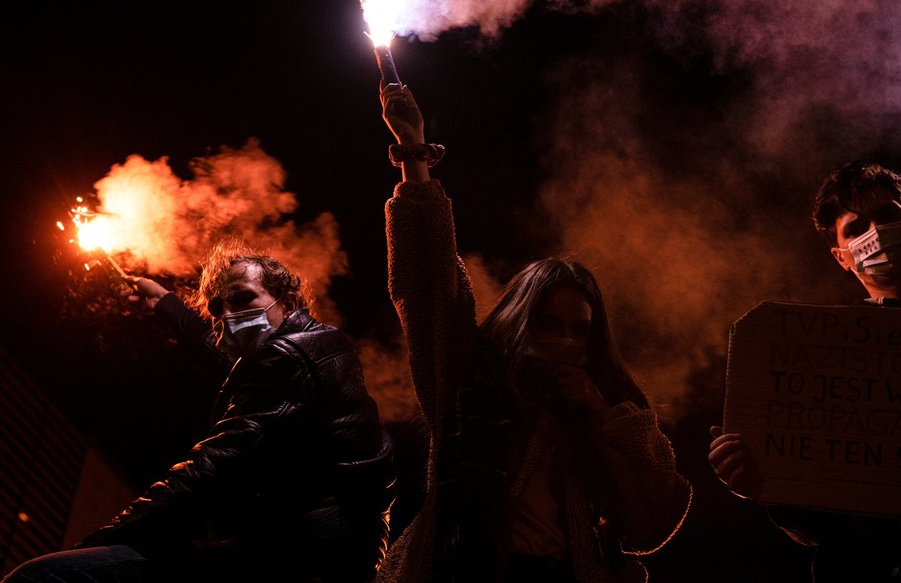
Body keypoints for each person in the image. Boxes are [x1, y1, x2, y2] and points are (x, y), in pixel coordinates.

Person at [373, 82, 692, 583]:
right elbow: (429, 284)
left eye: (577, 330)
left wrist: (604, 418)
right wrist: (414, 154)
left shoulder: (607, 405)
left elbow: (650, 523)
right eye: (547, 324)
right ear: (522, 320)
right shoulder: (471, 382)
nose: (563, 339)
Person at [4, 239, 396, 583]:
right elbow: (226, 354)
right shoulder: (307, 348)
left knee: (47, 575)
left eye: (243, 298)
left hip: (302, 560)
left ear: (288, 302)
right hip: (327, 553)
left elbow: (210, 470)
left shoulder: (288, 358)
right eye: (217, 307)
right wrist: (164, 303)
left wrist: (97, 543)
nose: (227, 315)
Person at [708, 160, 901, 581]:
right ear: (842, 257)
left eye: (889, 215)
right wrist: (762, 481)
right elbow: (820, 522)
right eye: (856, 229)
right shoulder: (820, 360)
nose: (876, 233)